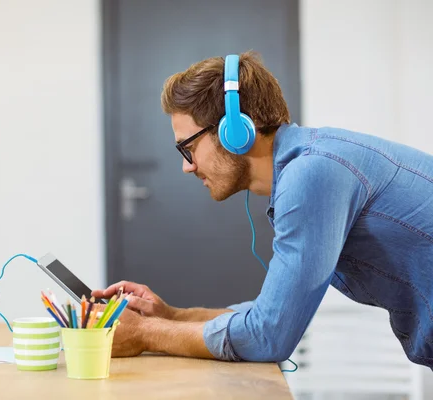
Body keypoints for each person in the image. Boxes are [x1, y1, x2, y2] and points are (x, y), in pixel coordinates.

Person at [91, 51, 433, 369]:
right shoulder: (312, 162)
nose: (188, 166)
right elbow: (270, 316)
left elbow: (269, 335)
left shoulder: (312, 174)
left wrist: (146, 334)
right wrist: (170, 316)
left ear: (234, 131)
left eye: (188, 147)